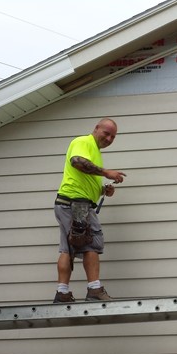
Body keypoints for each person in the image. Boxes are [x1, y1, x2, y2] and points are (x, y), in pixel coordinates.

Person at [53, 117, 126, 303]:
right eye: (106, 133)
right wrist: (105, 172)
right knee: (92, 242)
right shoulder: (83, 142)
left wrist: (103, 190)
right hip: (76, 204)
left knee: (67, 248)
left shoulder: (94, 151)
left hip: (67, 203)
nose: (109, 138)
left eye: (113, 137)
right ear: (96, 128)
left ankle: (62, 293)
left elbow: (84, 176)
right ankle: (94, 289)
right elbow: (77, 161)